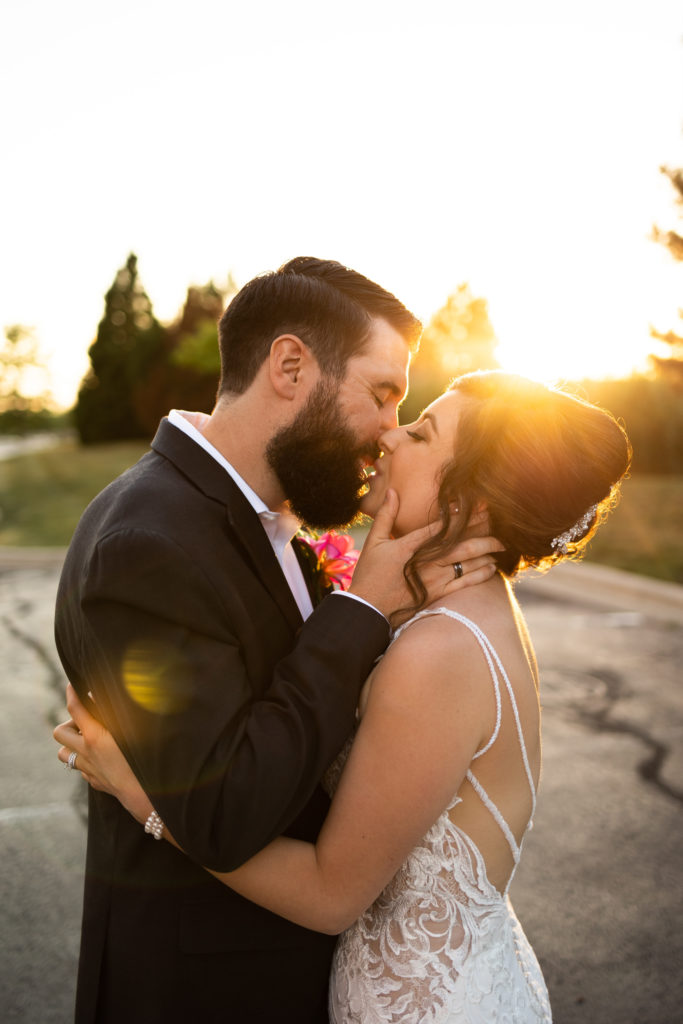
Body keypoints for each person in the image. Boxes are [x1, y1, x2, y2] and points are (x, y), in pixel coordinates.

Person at [56, 370, 632, 1023]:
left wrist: (143, 796)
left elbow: (331, 894)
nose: (391, 436)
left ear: (471, 500)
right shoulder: (454, 611)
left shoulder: (439, 654)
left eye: (420, 432)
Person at [54, 257, 498, 1024]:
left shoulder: (259, 515)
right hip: (204, 993)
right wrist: (361, 610)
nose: (390, 432)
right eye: (382, 394)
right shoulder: (149, 541)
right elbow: (222, 811)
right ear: (291, 365)